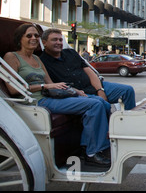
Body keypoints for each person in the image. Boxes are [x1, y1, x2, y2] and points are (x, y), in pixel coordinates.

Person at [3, 24, 111, 167]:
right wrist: (44, 86)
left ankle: (95, 145)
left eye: (36, 35)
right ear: (19, 39)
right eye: (29, 35)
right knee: (94, 104)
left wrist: (74, 90)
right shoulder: (12, 56)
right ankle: (91, 152)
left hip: (49, 96)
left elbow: (51, 82)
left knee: (101, 101)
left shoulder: (36, 58)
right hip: (35, 102)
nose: (34, 38)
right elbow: (12, 89)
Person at [40, 28, 136, 111]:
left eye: (60, 40)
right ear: (44, 42)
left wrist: (100, 90)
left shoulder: (71, 53)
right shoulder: (41, 61)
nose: (58, 43)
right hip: (75, 93)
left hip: (94, 85)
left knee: (127, 90)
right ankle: (108, 129)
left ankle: (130, 124)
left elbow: (89, 72)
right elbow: (52, 85)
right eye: (54, 40)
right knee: (102, 103)